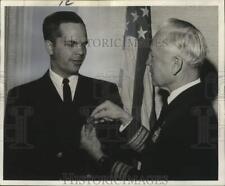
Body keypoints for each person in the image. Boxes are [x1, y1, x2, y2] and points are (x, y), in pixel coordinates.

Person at [80, 18, 218, 180]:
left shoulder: (187, 117)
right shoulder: (185, 103)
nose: (146, 62)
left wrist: (99, 157)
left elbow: (148, 179)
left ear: (176, 65)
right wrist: (125, 118)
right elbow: (159, 152)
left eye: (152, 56)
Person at [4, 11, 123, 180]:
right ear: (50, 47)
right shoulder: (21, 96)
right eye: (72, 44)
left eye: (84, 44)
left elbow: (120, 155)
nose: (81, 51)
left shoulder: (106, 91)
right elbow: (12, 167)